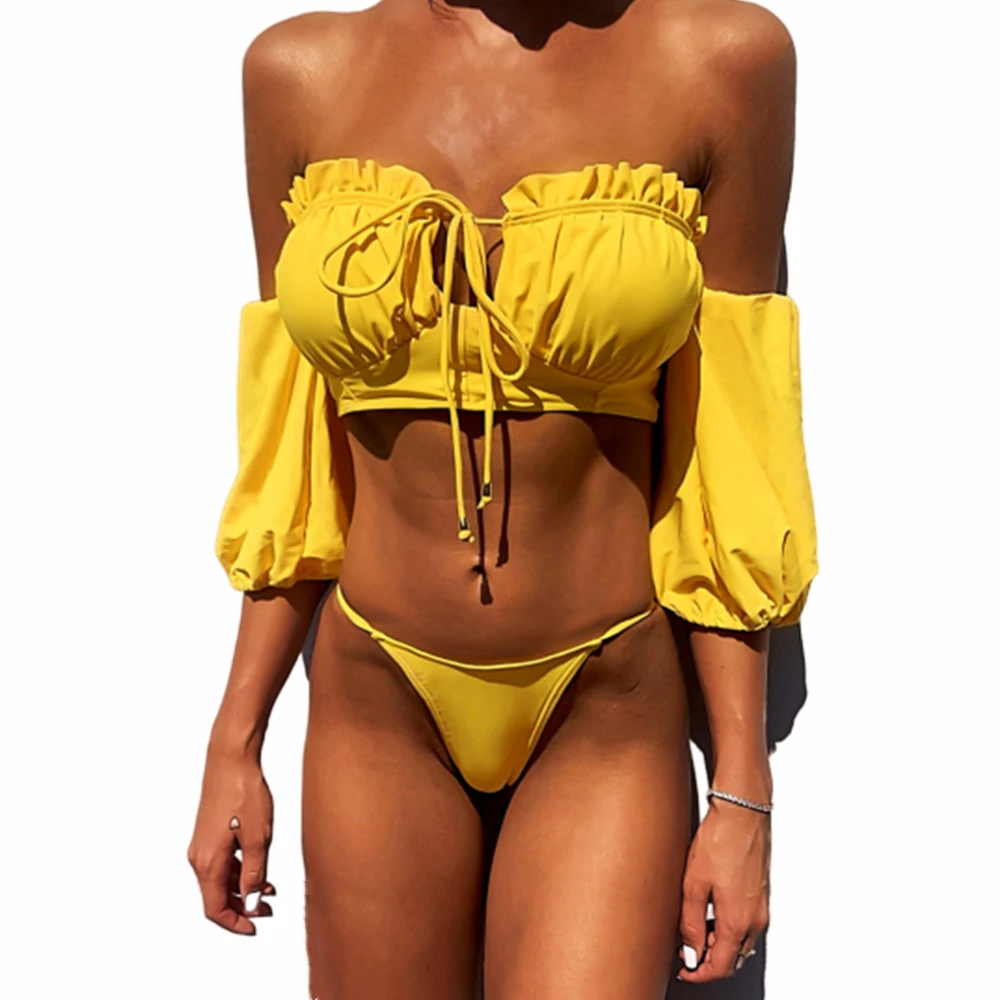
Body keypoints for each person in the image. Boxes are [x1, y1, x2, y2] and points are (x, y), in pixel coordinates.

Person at [187, 2, 818, 998]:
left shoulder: (722, 61)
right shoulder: (298, 73)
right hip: (375, 702)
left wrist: (743, 789)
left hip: (603, 710)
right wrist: (235, 739)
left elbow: (734, 453)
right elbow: (291, 461)